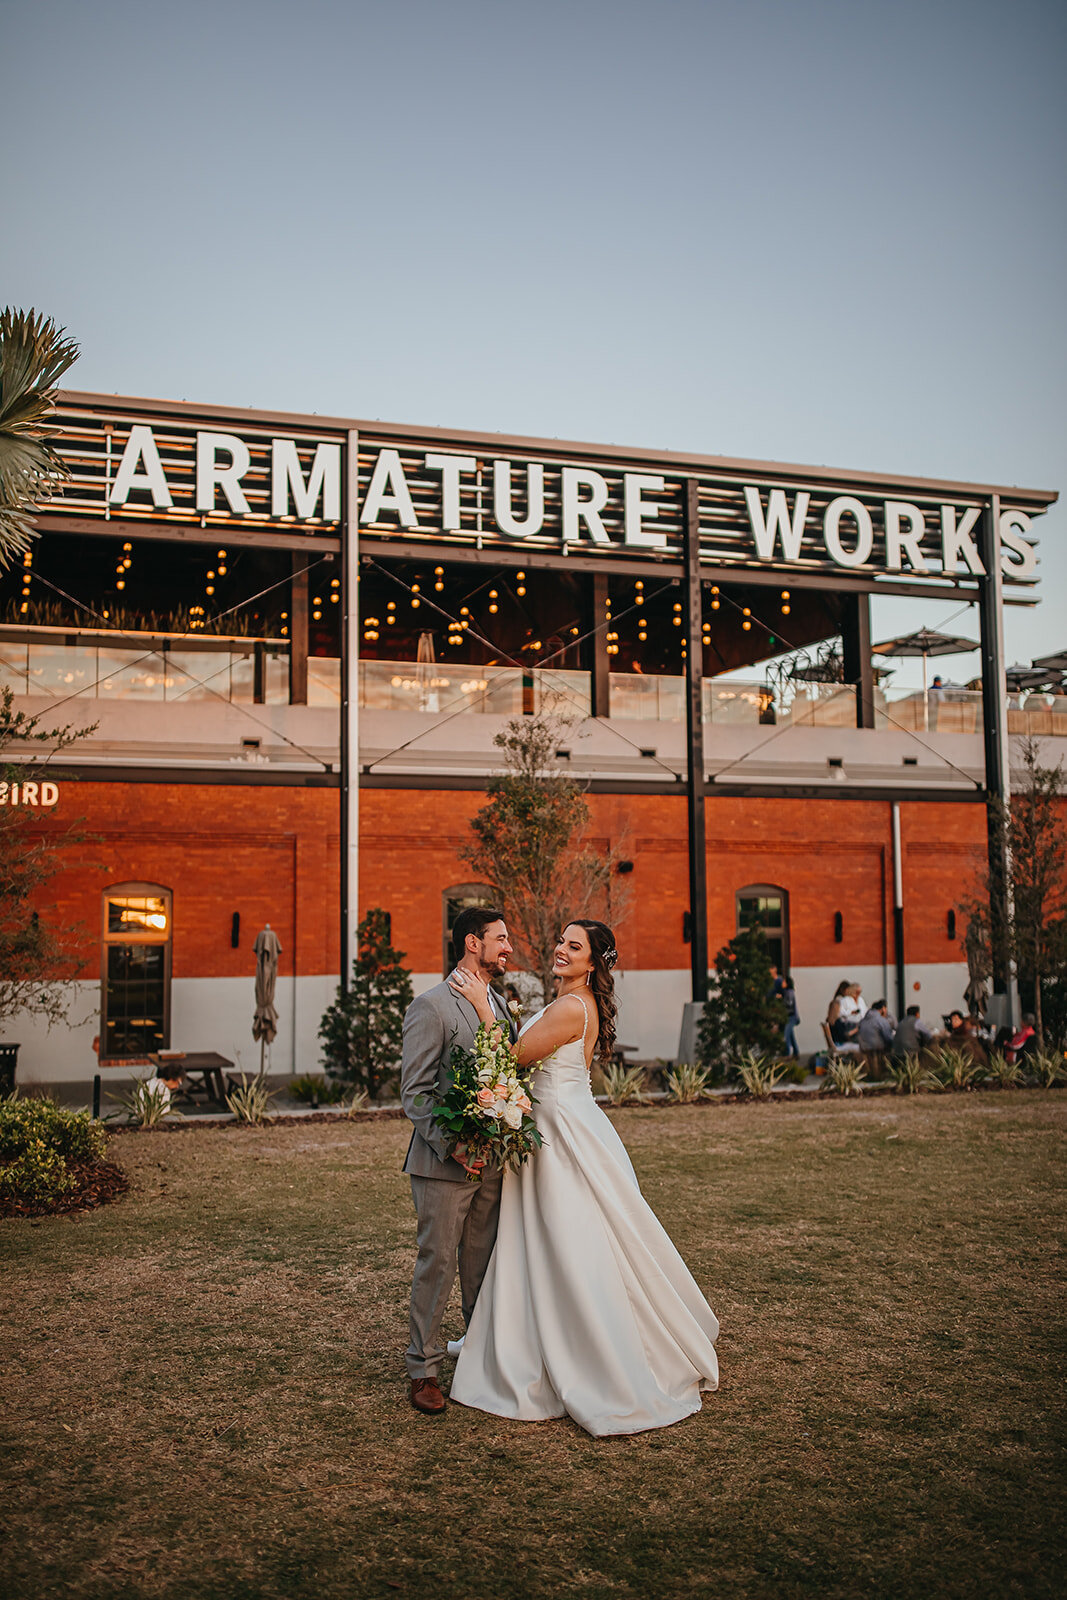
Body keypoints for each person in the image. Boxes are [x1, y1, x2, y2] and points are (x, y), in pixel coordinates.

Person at [447, 919, 719, 1436]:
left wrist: (483, 1005)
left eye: (575, 947)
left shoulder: (573, 1007)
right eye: (562, 942)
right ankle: (519, 1330)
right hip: (556, 1121)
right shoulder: (567, 1004)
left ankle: (587, 1344)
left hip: (561, 1132)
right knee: (549, 1237)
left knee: (569, 1238)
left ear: (593, 963)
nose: (561, 950)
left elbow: (511, 1058)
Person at [400, 907, 519, 1416]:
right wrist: (456, 1145)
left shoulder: (500, 1004)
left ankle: (477, 1357)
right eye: (501, 939)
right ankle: (422, 1369)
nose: (508, 948)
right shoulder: (430, 1007)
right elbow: (416, 1092)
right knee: (439, 1262)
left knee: (483, 1263)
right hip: (444, 1165)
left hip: (493, 1163)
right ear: (473, 943)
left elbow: (510, 1069)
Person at [827, 980, 858, 1046]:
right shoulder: (839, 1002)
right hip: (841, 1043)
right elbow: (845, 1035)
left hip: (837, 1040)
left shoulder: (833, 1021)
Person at [781, 974, 800, 1059]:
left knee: (786, 1035)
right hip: (791, 1017)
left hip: (791, 1017)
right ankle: (796, 1052)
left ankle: (787, 1053)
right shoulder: (788, 992)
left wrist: (781, 1000)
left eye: (784, 981)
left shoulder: (789, 992)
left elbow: (789, 1003)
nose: (782, 983)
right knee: (791, 1035)